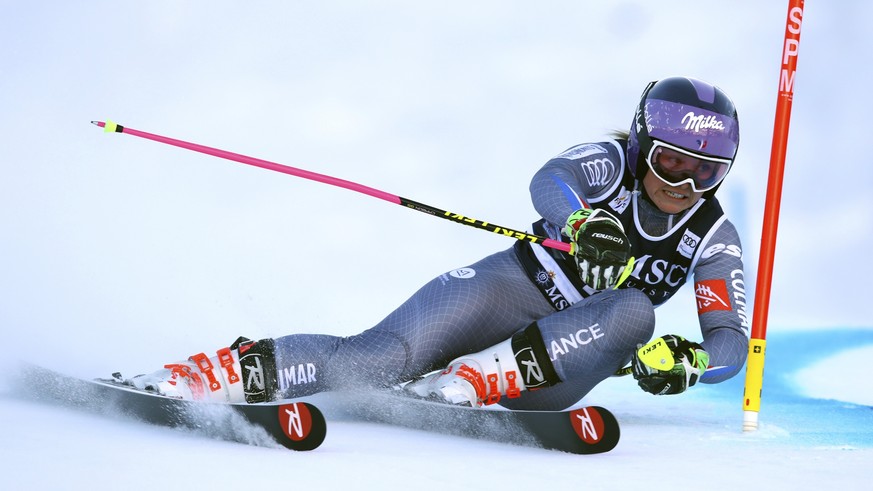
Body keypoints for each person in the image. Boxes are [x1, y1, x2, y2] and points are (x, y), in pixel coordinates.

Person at [126, 76, 749, 410]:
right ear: (643, 146)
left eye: (707, 172)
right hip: (509, 289)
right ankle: (214, 376)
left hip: (561, 365)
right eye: (672, 163)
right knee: (374, 358)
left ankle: (481, 380)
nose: (686, 184)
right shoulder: (611, 162)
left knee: (634, 312)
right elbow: (551, 181)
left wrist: (695, 362)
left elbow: (730, 342)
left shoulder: (711, 232)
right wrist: (580, 223)